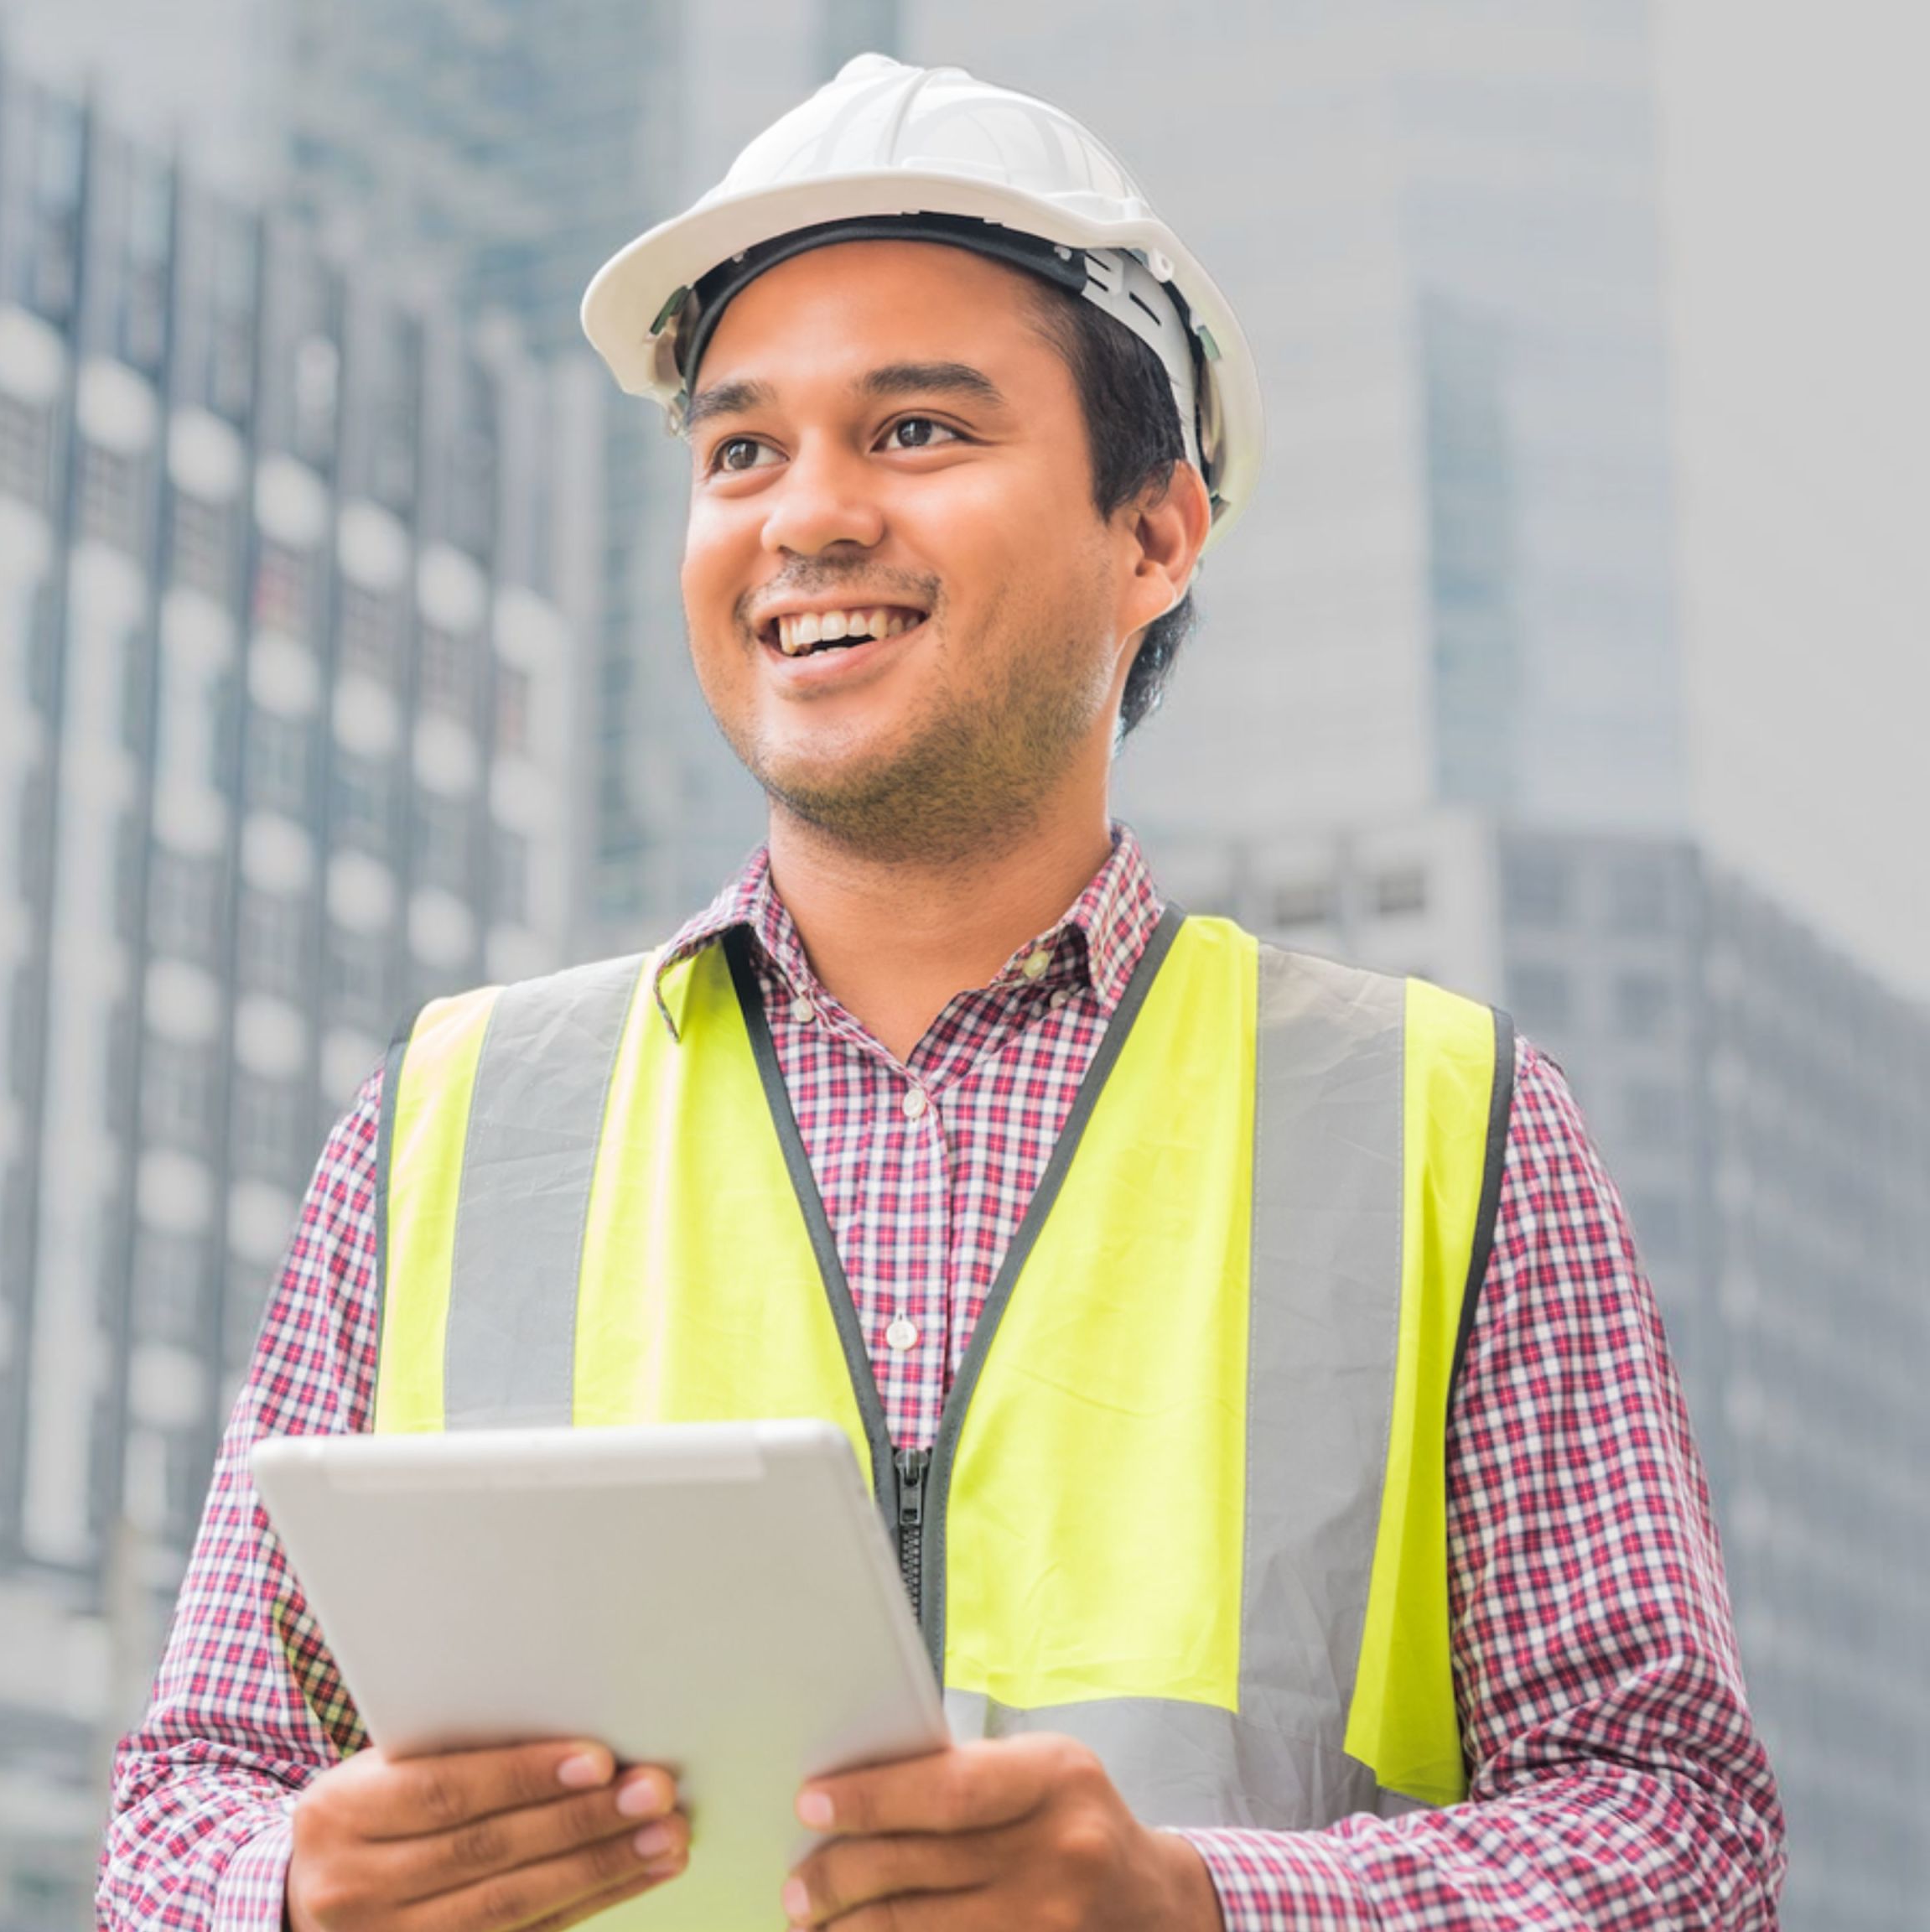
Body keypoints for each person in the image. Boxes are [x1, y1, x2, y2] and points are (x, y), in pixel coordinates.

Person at [98, 54, 1784, 1932]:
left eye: (912, 431)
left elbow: (1679, 1843)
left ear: (1152, 533)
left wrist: (1197, 1907)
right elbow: (181, 1821)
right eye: (739, 449)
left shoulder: (1440, 1126)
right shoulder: (448, 1121)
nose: (802, 516)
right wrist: (289, 1892)